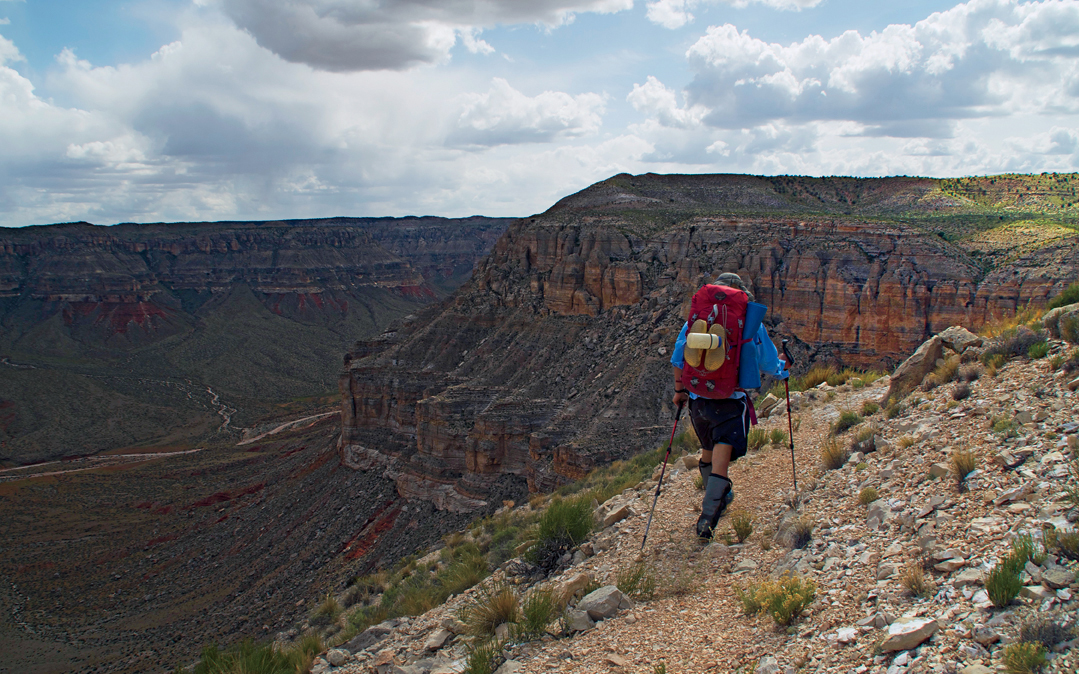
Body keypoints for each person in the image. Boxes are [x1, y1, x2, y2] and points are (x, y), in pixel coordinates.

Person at [670, 272, 789, 539]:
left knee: (708, 452)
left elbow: (679, 358)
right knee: (721, 463)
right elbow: (768, 363)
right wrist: (784, 368)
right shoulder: (749, 321)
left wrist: (679, 392)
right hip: (729, 402)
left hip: (698, 401)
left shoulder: (697, 318)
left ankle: (718, 494)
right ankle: (708, 518)